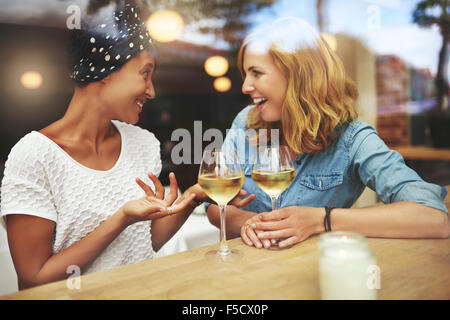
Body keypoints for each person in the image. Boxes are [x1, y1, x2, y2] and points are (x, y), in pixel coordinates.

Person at [0, 4, 252, 290]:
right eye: (145, 73)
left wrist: (193, 196)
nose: (152, 90)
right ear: (105, 71)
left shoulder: (142, 143)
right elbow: (33, 278)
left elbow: (145, 242)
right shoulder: (35, 156)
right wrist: (120, 219)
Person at [206, 17, 450, 249]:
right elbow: (215, 206)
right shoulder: (247, 122)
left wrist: (322, 220)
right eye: (245, 74)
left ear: (296, 74)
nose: (245, 86)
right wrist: (248, 223)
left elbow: (432, 217)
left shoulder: (353, 139)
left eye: (256, 73)